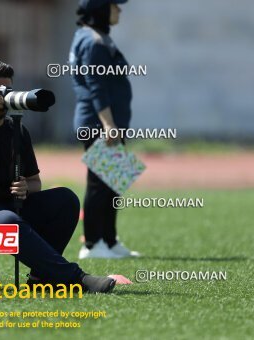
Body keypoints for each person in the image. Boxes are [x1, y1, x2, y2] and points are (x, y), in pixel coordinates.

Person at [0, 59, 116, 293]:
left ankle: (41, 279)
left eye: (7, 91)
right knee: (7, 223)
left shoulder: (16, 129)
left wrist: (25, 187)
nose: (4, 98)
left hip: (4, 212)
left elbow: (35, 183)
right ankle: (76, 279)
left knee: (66, 200)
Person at [69, 0, 140, 258]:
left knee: (113, 182)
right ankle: (92, 245)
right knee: (99, 183)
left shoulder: (91, 36)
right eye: (114, 5)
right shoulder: (94, 42)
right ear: (100, 9)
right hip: (98, 123)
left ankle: (109, 242)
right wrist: (108, 125)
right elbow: (96, 86)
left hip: (103, 121)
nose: (119, 10)